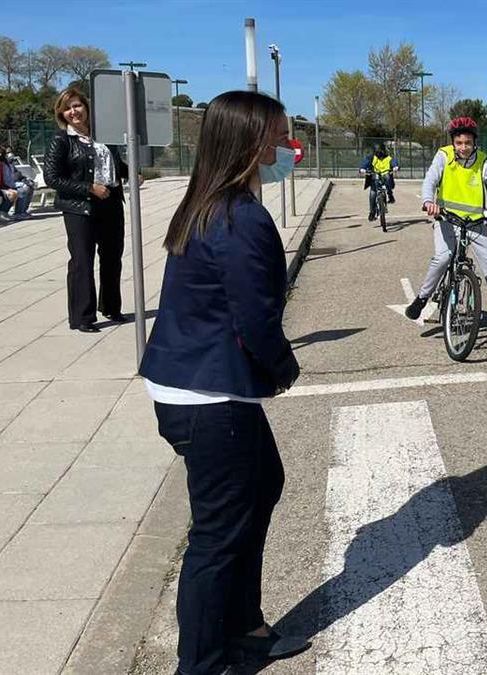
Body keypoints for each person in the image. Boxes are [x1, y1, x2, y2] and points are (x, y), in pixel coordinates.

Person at [139, 90, 308, 675]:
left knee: (264, 484)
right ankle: (204, 662)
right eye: (277, 137)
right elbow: (255, 318)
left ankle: (245, 625)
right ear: (249, 143)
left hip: (194, 387)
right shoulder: (239, 217)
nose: (285, 147)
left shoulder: (209, 203)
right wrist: (283, 370)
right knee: (215, 538)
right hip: (210, 399)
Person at [405, 116, 487, 339]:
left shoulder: (483, 161)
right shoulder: (444, 156)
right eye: (459, 143)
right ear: (453, 142)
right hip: (447, 219)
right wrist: (429, 201)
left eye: (468, 143)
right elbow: (430, 180)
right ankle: (422, 298)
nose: (463, 147)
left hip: (476, 222)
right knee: (442, 258)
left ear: (474, 142)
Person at [43, 88, 130, 332]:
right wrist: (89, 188)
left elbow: (114, 164)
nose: (74, 112)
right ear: (62, 114)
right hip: (79, 208)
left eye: (77, 106)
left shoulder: (105, 136)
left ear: (87, 107)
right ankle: (82, 317)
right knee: (82, 260)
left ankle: (111, 306)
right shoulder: (61, 141)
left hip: (111, 204)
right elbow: (52, 178)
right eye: (68, 108)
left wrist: (131, 172)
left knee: (113, 258)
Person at [358, 144, 397, 222]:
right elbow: (365, 163)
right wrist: (362, 169)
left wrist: (395, 167)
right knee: (373, 193)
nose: (379, 153)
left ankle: (390, 194)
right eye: (377, 151)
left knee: (388, 177)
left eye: (381, 151)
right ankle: (372, 212)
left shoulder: (388, 158)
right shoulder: (372, 158)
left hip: (385, 176)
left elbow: (393, 162)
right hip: (375, 176)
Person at [0, 145, 34, 220]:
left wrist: (25, 180)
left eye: (11, 152)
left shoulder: (10, 164)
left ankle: (23, 211)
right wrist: (21, 184)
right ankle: (18, 212)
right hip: (5, 186)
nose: (10, 154)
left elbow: (18, 174)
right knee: (23, 189)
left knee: (30, 186)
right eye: (8, 152)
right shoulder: (2, 165)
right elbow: (7, 181)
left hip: (13, 184)